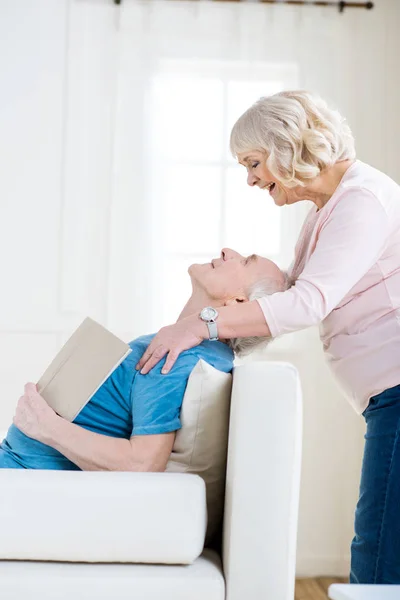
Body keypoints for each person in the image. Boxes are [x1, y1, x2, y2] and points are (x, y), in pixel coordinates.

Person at [136, 90, 400, 585]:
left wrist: (203, 322)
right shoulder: (327, 208)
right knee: (384, 544)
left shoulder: (361, 199)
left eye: (254, 163)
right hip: (387, 395)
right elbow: (293, 291)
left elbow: (308, 302)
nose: (252, 178)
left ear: (288, 146)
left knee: (381, 551)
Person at [0, 249, 286, 472]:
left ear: (238, 304)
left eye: (246, 261)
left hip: (23, 476)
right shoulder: (184, 345)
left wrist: (47, 427)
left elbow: (143, 463)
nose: (227, 252)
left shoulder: (180, 355)